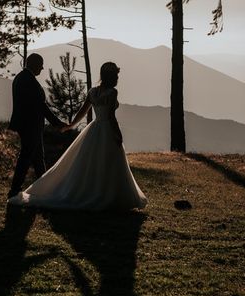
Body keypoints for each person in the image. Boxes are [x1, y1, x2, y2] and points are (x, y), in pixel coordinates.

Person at [8, 62, 148, 212]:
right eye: (116, 75)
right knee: (109, 162)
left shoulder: (93, 92)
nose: (117, 78)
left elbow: (82, 111)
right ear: (112, 76)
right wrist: (118, 134)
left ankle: (89, 191)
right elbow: (111, 117)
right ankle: (110, 195)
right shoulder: (112, 92)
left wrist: (70, 125)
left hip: (94, 129)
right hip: (107, 130)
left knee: (90, 162)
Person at [8, 53, 66, 199]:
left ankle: (44, 188)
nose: (42, 68)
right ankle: (15, 189)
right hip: (30, 125)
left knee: (38, 158)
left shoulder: (21, 78)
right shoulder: (29, 81)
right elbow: (41, 106)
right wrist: (57, 123)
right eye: (40, 64)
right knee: (27, 156)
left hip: (27, 124)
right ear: (34, 64)